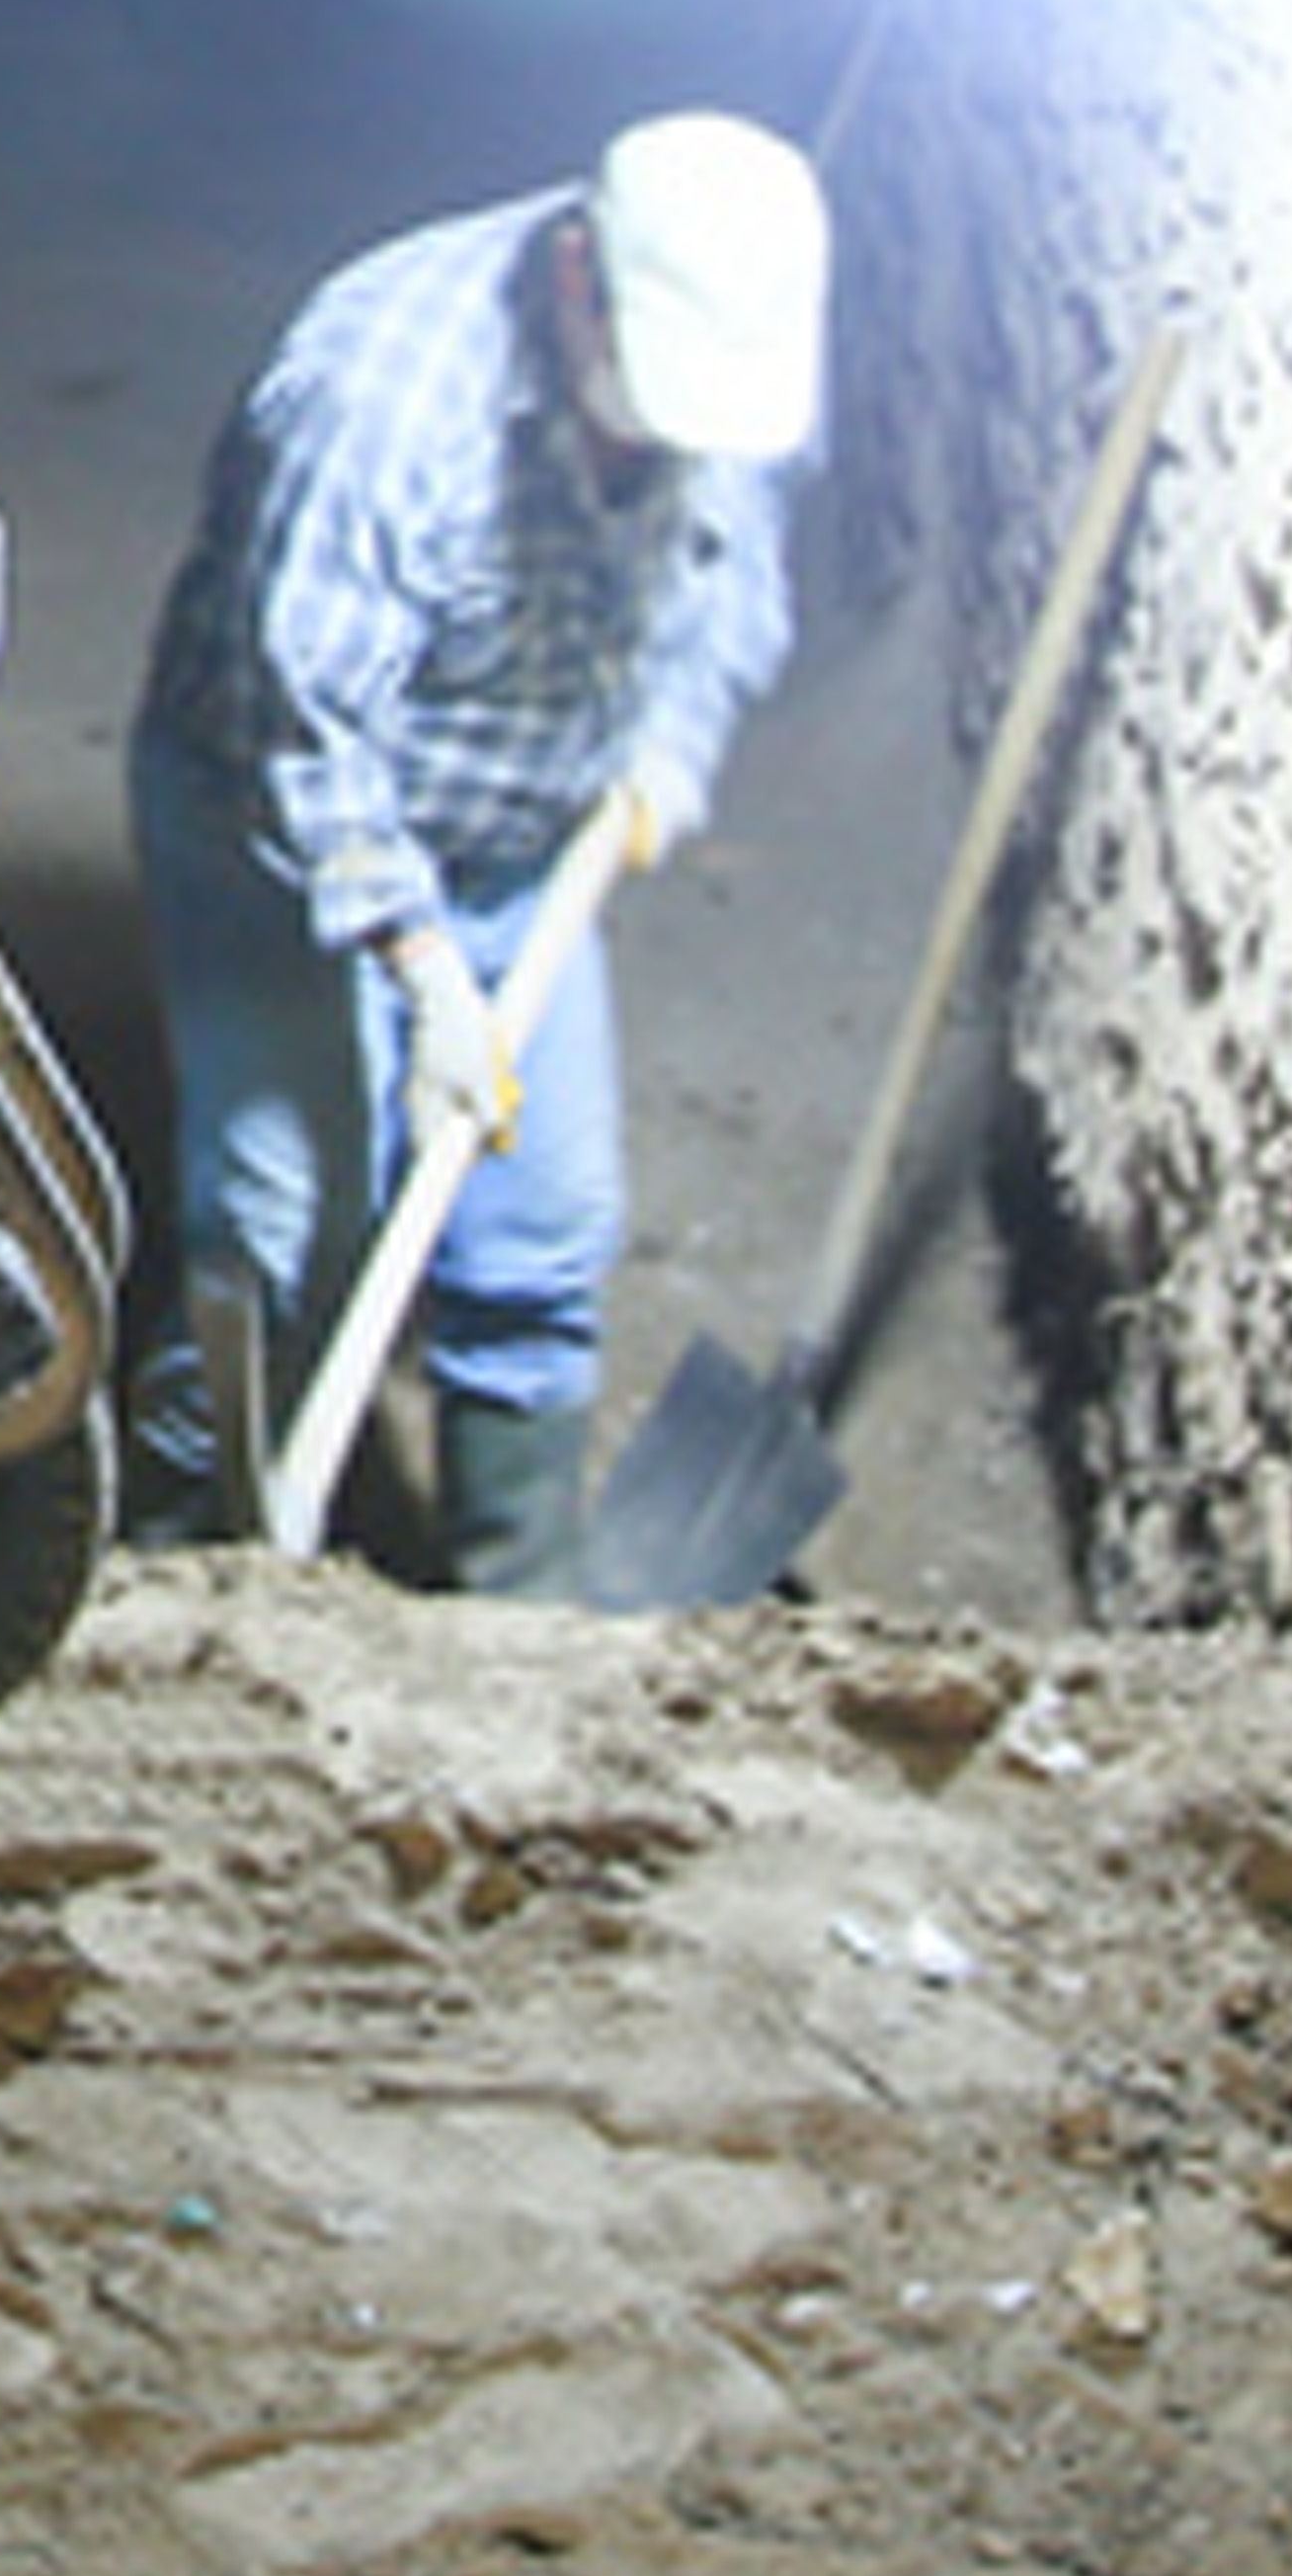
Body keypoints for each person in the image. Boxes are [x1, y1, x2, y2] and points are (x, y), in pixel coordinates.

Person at [117, 111, 824, 1587]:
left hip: (522, 832)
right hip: (277, 825)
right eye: (640, 398)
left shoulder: (728, 342)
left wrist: (666, 753)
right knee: (288, 1219)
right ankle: (177, 1566)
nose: (659, 436)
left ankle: (521, 1613)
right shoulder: (377, 400)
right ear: (575, 279)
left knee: (548, 1226)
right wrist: (421, 965)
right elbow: (295, 733)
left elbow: (731, 571)